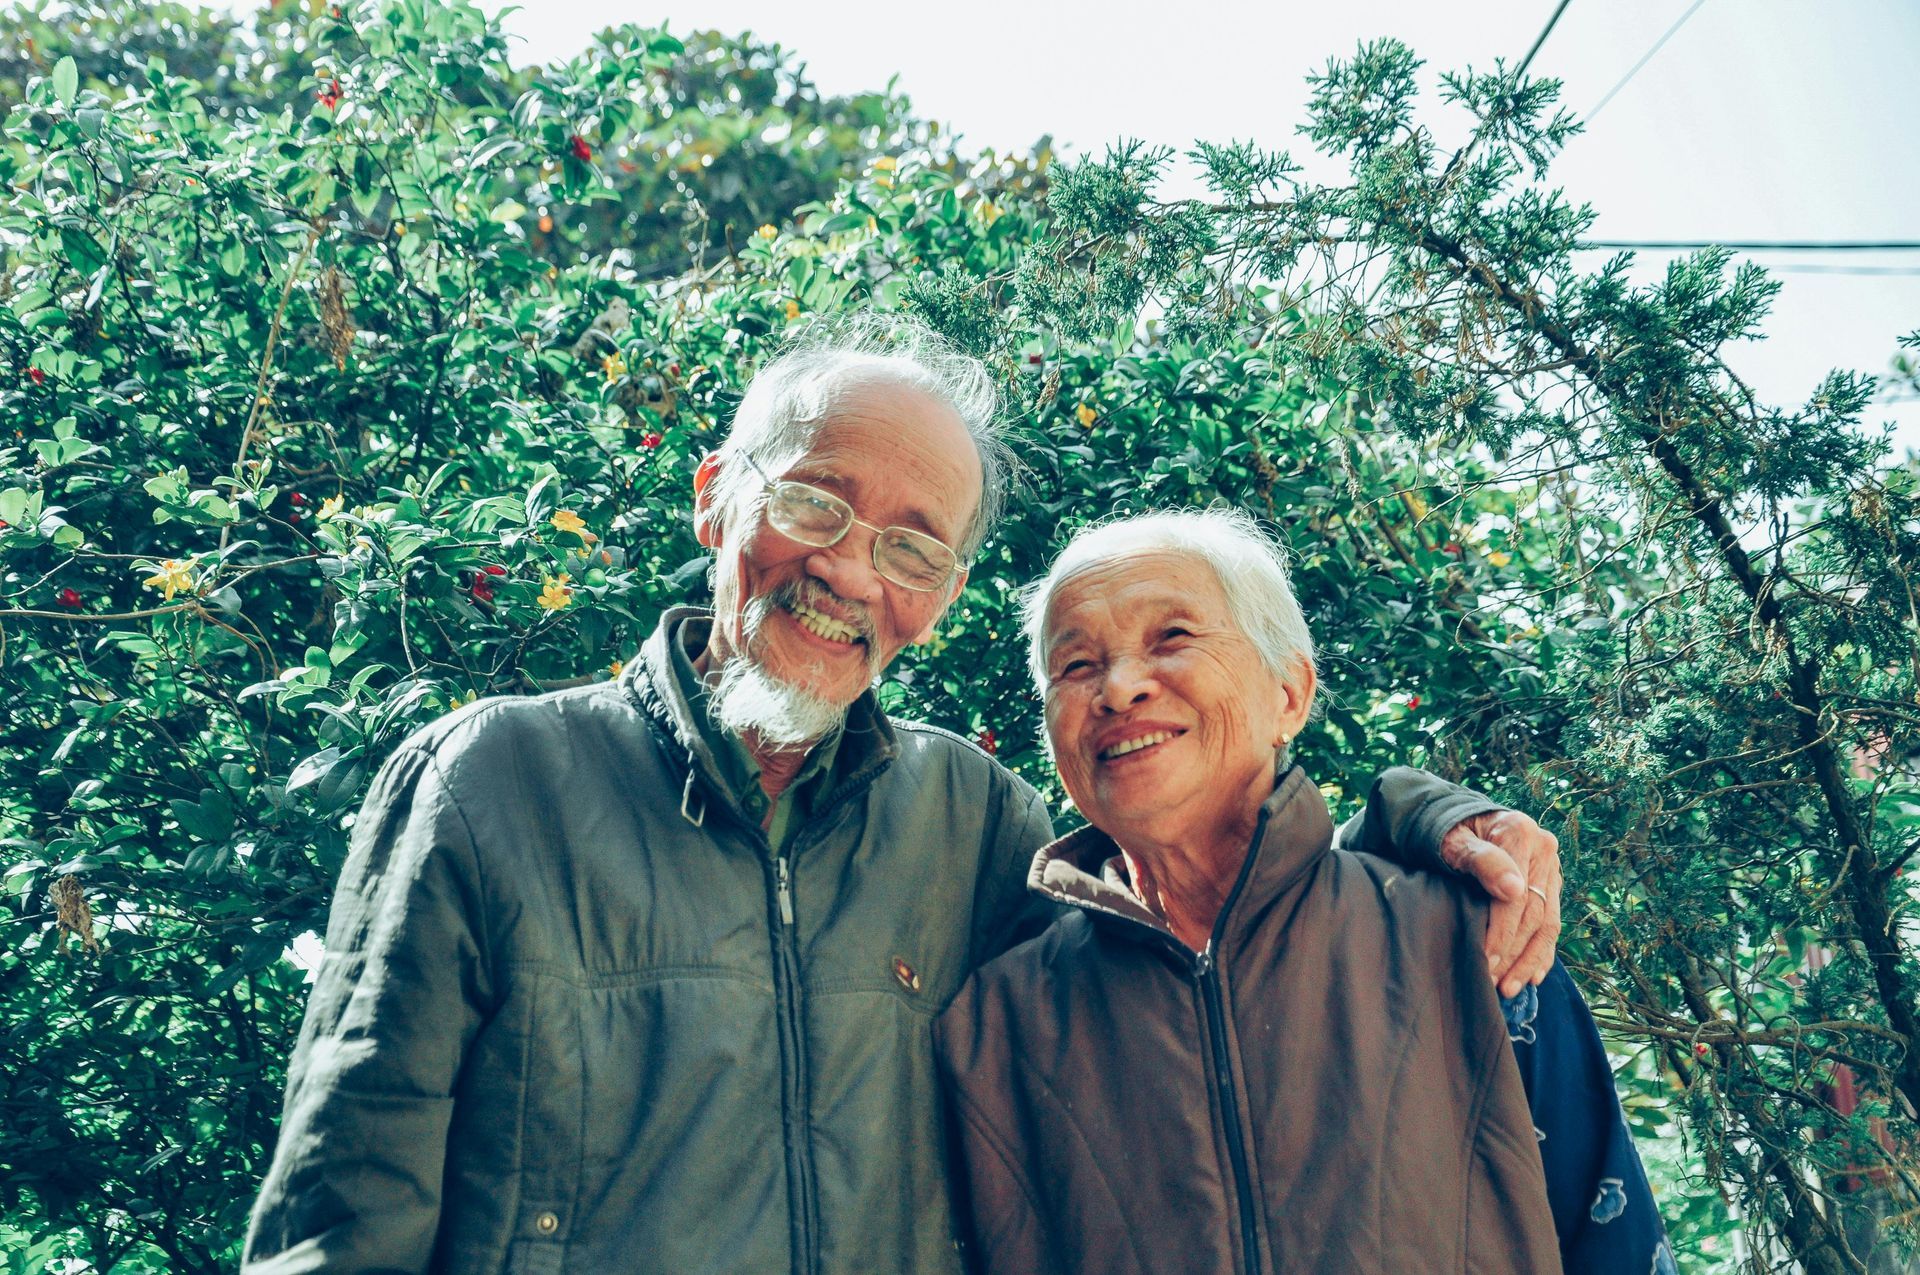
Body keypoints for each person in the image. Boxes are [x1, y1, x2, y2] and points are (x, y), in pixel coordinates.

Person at [243, 316, 1567, 1274]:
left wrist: (1422, 818)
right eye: (815, 503)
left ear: (939, 596)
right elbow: (340, 1215)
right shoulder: (494, 780)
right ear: (718, 500)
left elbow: (1221, 943)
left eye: (912, 544)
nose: (850, 572)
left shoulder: (975, 821)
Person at [935, 509, 1672, 1275]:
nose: (1119, 688)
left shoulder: (1468, 938)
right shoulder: (996, 1024)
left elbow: (1612, 1236)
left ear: (1288, 694)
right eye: (1077, 665)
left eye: (1173, 638)